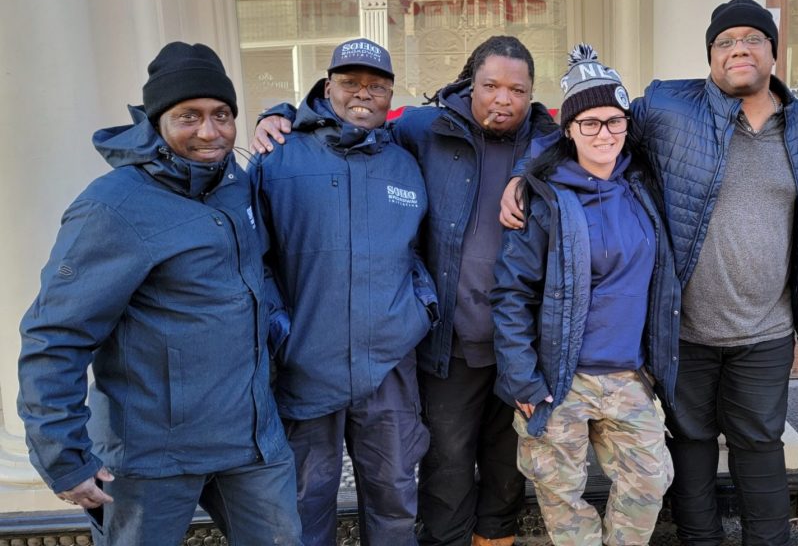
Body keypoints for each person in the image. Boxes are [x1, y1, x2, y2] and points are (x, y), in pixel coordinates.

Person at [502, 0, 798, 545]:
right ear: (709, 55)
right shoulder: (667, 111)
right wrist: (523, 175)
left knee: (749, 447)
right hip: (668, 335)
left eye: (752, 38)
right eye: (724, 41)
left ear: (774, 49)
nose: (738, 48)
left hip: (753, 331)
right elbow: (579, 124)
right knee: (682, 447)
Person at [252, 35, 559, 546]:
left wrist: (530, 168)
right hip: (414, 348)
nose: (503, 98)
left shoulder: (535, 142)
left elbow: (572, 129)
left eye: (517, 89)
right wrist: (277, 114)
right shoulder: (417, 130)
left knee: (490, 470)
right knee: (433, 467)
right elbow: (256, 256)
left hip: (498, 343)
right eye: (490, 85)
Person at [16, 42, 302, 546]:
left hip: (253, 442)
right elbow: (54, 335)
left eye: (222, 115)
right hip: (151, 454)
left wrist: (284, 114)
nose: (209, 131)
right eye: (188, 116)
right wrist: (62, 456)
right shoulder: (113, 207)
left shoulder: (236, 184)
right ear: (157, 121)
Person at [249, 37, 436, 546]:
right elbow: (253, 260)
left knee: (394, 496)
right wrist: (282, 330)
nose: (363, 94)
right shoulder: (278, 156)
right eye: (350, 82)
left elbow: (419, 249)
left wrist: (421, 308)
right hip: (307, 364)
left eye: (377, 85)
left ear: (390, 93)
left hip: (389, 365)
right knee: (306, 501)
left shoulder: (404, 162)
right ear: (326, 85)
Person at [490, 44, 676, 546]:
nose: (604, 134)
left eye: (614, 121)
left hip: (628, 373)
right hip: (560, 378)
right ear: (568, 129)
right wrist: (523, 381)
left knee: (650, 479)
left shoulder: (641, 185)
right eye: (589, 123)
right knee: (560, 490)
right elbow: (511, 292)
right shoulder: (547, 197)